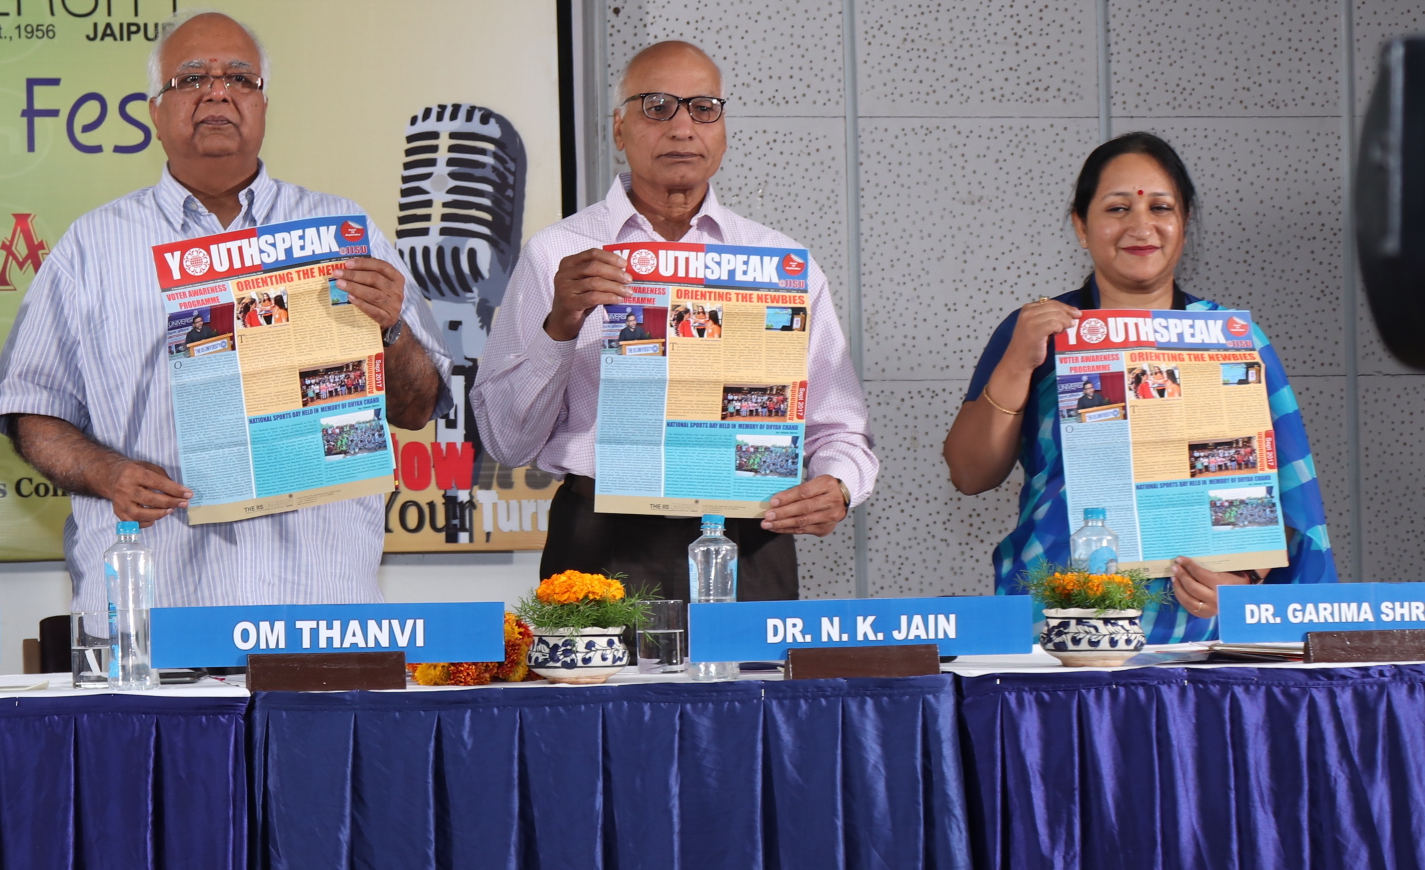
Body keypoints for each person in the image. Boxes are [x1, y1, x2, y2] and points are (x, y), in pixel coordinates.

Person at [0, 9, 451, 615]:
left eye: (239, 78)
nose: (217, 93)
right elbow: (32, 409)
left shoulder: (344, 235)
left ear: (263, 105)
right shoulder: (92, 248)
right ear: (155, 112)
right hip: (154, 611)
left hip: (320, 605)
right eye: (191, 79)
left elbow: (417, 407)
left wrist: (391, 329)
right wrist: (107, 474)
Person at [474, 40, 875, 600]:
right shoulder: (559, 254)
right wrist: (560, 326)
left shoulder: (779, 263)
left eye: (703, 109)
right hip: (600, 538)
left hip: (750, 533)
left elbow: (840, 428)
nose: (683, 128)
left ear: (723, 131)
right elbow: (506, 443)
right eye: (657, 106)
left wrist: (838, 484)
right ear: (619, 129)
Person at [941, 131, 1333, 632]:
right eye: (1118, 208)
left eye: (1161, 208)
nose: (1141, 226)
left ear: (1184, 224)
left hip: (1200, 629)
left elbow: (1285, 488)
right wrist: (1018, 361)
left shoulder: (1232, 340)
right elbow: (970, 475)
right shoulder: (1038, 331)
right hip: (1063, 627)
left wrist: (1246, 578)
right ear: (1081, 226)